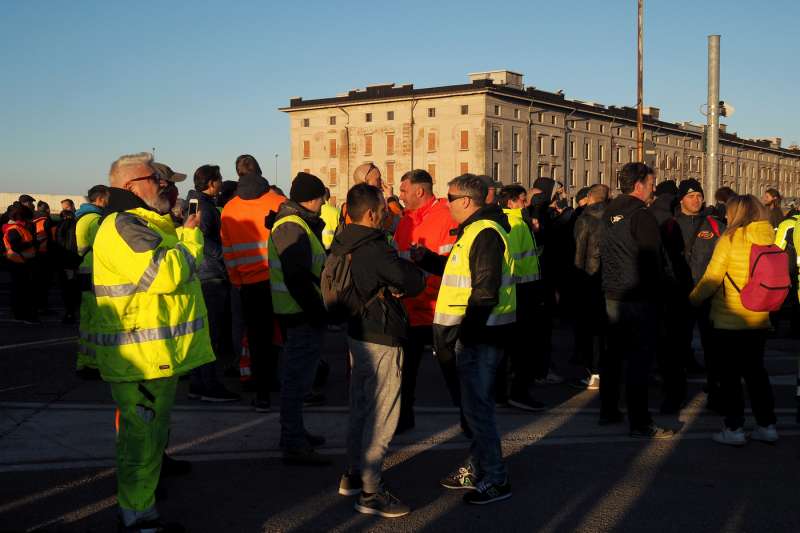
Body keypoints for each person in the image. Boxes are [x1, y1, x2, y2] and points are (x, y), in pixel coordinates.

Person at [91, 152, 214, 531]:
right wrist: (191, 237)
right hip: (140, 358)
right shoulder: (124, 225)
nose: (163, 184)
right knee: (140, 441)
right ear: (130, 186)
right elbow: (166, 273)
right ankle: (137, 514)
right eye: (155, 179)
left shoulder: (141, 222)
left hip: (154, 355)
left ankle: (141, 504)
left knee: (149, 437)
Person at [415, 173, 515, 505]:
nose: (446, 203)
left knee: (478, 410)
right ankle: (476, 467)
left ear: (467, 201)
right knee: (473, 408)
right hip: (472, 333)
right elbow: (463, 275)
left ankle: (497, 478)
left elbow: (484, 292)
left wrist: (467, 338)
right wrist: (428, 261)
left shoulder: (484, 233)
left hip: (477, 336)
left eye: (450, 197)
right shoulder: (474, 231)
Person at [332, 183, 426, 518]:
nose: (387, 216)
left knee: (359, 406)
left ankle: (353, 474)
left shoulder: (341, 241)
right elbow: (412, 281)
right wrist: (405, 275)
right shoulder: (374, 247)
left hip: (355, 332)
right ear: (372, 213)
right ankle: (372, 492)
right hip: (381, 334)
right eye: (383, 212)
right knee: (382, 415)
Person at [689, 195, 779, 446]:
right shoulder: (768, 238)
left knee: (729, 377)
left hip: (729, 318)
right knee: (757, 374)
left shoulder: (730, 239)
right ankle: (767, 425)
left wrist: (692, 301)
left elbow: (711, 279)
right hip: (759, 317)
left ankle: (734, 428)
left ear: (736, 213)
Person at [599, 162, 674, 439]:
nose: (654, 189)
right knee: (639, 361)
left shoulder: (610, 211)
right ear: (640, 185)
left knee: (613, 356)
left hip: (612, 292)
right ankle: (640, 421)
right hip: (639, 296)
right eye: (652, 184)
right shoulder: (641, 215)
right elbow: (651, 259)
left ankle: (608, 410)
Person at [392, 169, 460, 433]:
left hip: (437, 310)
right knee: (404, 371)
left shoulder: (446, 216)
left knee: (452, 369)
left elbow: (451, 265)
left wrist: (421, 288)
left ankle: (470, 418)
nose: (400, 196)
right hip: (410, 309)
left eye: (404, 190)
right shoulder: (405, 220)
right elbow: (398, 261)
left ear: (419, 191)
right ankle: (403, 419)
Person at [268, 172, 330, 464]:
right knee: (296, 381)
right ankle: (293, 441)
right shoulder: (292, 226)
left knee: (300, 379)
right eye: (322, 198)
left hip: (299, 311)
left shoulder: (296, 223)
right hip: (300, 313)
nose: (323, 204)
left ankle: (296, 433)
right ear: (313, 198)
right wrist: (317, 312)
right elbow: (297, 277)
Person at [220, 154, 286, 412]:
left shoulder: (229, 208)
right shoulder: (279, 202)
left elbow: (228, 251)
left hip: (248, 285)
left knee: (257, 339)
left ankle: (261, 394)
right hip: (279, 281)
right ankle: (289, 387)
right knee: (288, 336)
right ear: (260, 171)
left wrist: (237, 281)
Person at [660, 179, 726, 413]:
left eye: (698, 195)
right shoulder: (669, 225)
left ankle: (717, 395)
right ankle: (673, 397)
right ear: (681, 200)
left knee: (714, 350)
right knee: (676, 350)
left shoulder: (714, 225)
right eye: (690, 196)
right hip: (678, 296)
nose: (696, 200)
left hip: (708, 295)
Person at [186, 165, 239, 402]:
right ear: (211, 183)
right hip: (210, 275)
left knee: (204, 333)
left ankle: (199, 383)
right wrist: (225, 256)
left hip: (204, 273)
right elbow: (203, 240)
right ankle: (208, 384)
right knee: (211, 334)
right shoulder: (204, 207)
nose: (221, 183)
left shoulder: (196, 203)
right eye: (218, 179)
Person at [496, 184, 546, 411]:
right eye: (523, 200)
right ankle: (518, 393)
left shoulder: (506, 222)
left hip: (512, 293)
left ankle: (502, 393)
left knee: (506, 348)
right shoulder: (516, 225)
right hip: (523, 293)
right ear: (511, 202)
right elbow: (516, 263)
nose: (526, 204)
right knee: (523, 349)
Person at [571, 183, 610, 390]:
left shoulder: (585, 219)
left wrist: (577, 281)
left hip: (590, 277)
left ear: (589, 197)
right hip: (611, 279)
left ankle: (595, 372)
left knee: (592, 329)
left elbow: (579, 252)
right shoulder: (616, 218)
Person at [74, 185, 110, 377]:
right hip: (94, 273)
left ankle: (85, 362)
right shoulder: (94, 220)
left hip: (83, 272)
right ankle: (95, 364)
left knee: (87, 322)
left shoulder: (82, 217)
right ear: (101, 199)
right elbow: (106, 244)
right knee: (97, 321)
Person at [2, 205, 37, 323]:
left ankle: (21, 313)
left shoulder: (19, 228)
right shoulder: (15, 229)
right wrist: (31, 244)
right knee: (21, 290)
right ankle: (22, 314)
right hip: (18, 262)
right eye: (28, 218)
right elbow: (15, 246)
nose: (30, 221)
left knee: (21, 290)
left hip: (21, 261)